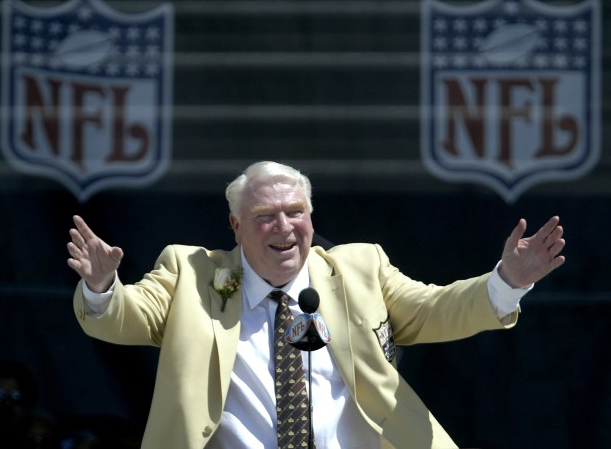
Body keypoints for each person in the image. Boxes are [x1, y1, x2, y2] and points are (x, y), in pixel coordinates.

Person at [67, 161, 565, 449]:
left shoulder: (358, 268)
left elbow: (434, 309)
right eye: (264, 216)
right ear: (236, 227)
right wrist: (102, 286)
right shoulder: (191, 273)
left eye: (295, 212)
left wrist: (506, 282)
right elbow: (125, 317)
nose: (283, 227)